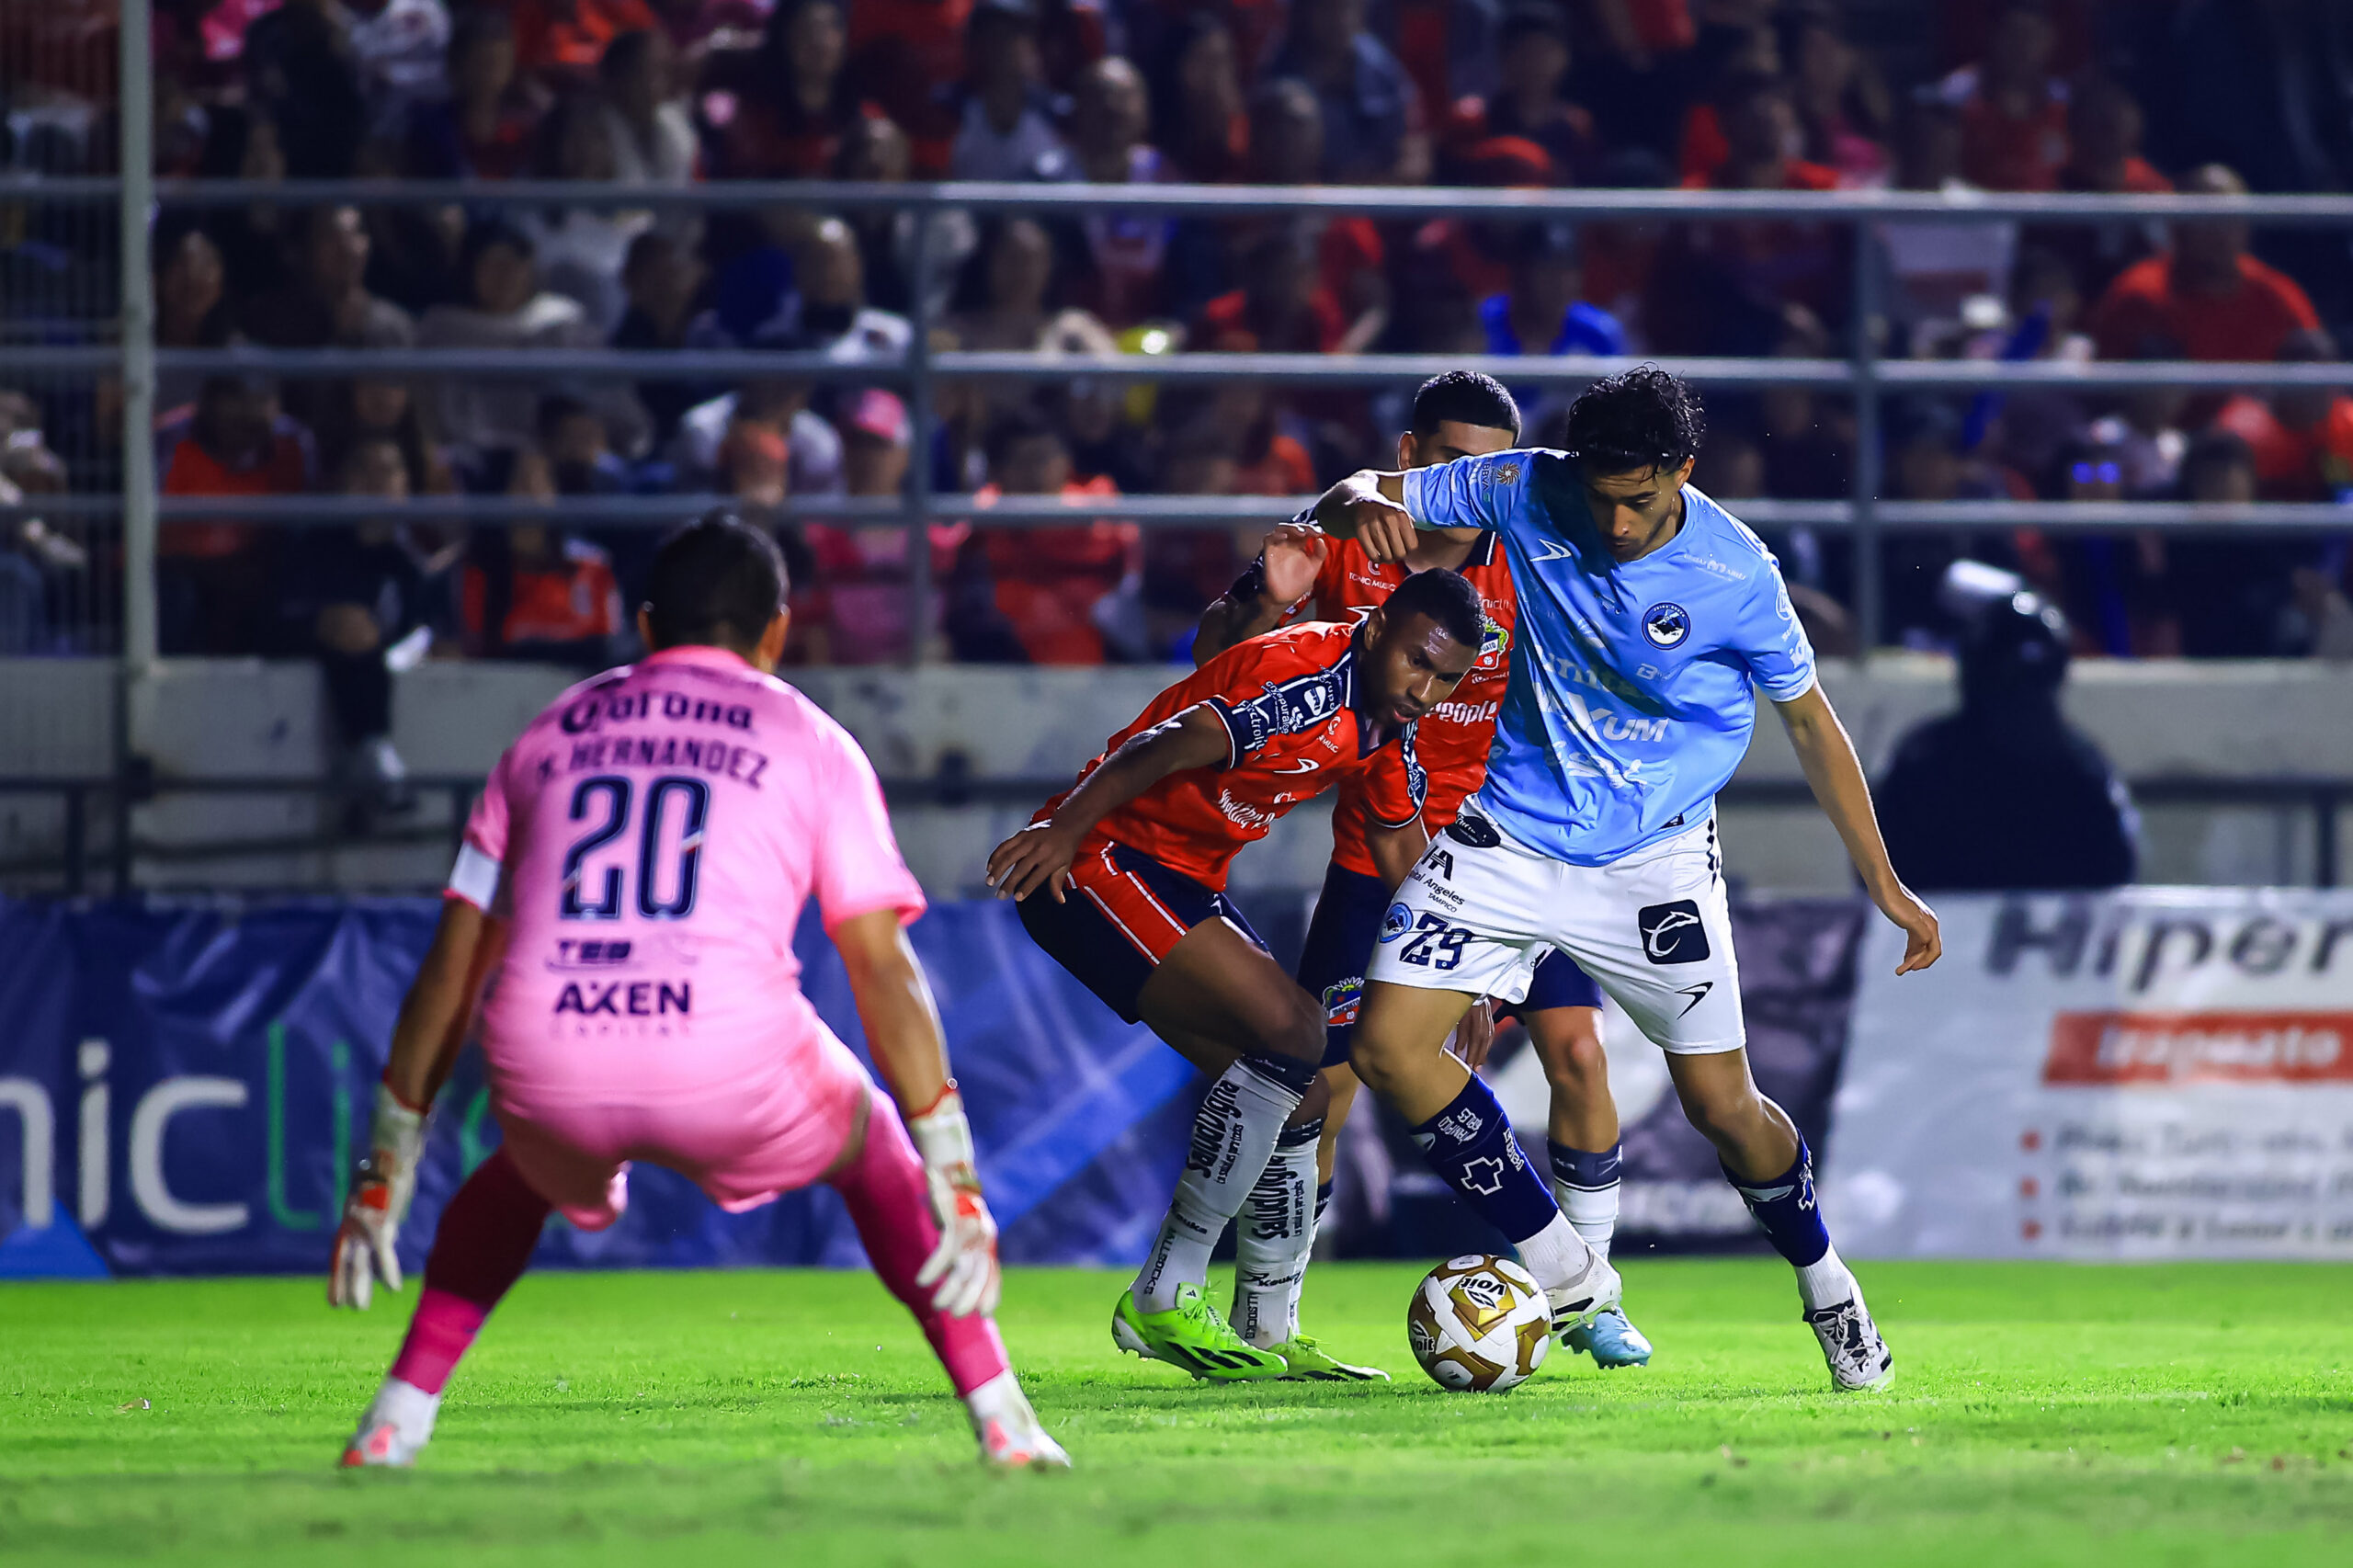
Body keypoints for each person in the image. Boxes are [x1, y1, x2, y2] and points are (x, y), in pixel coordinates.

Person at [328, 512, 1066, 1471]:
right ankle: (1002, 1417)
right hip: (725, 1053)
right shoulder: (808, 734)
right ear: (776, 632)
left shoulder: (549, 731)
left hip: (550, 1050)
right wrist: (953, 1168)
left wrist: (388, 1157)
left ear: (644, 626)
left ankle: (396, 1418)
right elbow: (880, 964)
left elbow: (451, 964)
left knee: (521, 1173)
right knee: (872, 1140)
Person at [1303, 366, 1943, 1391]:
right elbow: (1354, 492)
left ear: (1681, 470)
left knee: (1723, 1107)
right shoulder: (1524, 483)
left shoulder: (1737, 571)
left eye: (1637, 500)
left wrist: (1883, 879)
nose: (1614, 523)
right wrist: (1358, 505)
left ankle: (1829, 1287)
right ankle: (1572, 1274)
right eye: (1598, 497)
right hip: (1508, 837)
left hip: (1655, 862)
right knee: (1384, 1047)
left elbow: (1810, 723)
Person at [1190, 371, 1652, 1371]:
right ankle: (1267, 1320)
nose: (1462, 482)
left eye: (1484, 466)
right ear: (1408, 456)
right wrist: (1270, 586)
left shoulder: (1532, 557)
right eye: (1445, 460)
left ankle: (1588, 1295)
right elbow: (1216, 660)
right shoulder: (1344, 539)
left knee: (1578, 1053)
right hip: (1377, 854)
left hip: (1511, 855)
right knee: (1322, 1084)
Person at [985, 570, 1482, 1381]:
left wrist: (1459, 966)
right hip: (1099, 862)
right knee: (1297, 1032)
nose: (1424, 691)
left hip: (1178, 881)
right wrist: (1066, 828)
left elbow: (1400, 846)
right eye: (1416, 662)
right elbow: (1164, 742)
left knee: (1307, 1096)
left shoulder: (1385, 723)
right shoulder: (1307, 683)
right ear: (1376, 627)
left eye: (1446, 679)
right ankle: (1165, 1292)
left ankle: (1267, 1328)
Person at [1877, 577, 2137, 892]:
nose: (2020, 704)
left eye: (2031, 684)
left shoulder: (2083, 769)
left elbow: (2115, 871)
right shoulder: (1923, 762)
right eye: (2008, 684)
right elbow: (1879, 872)